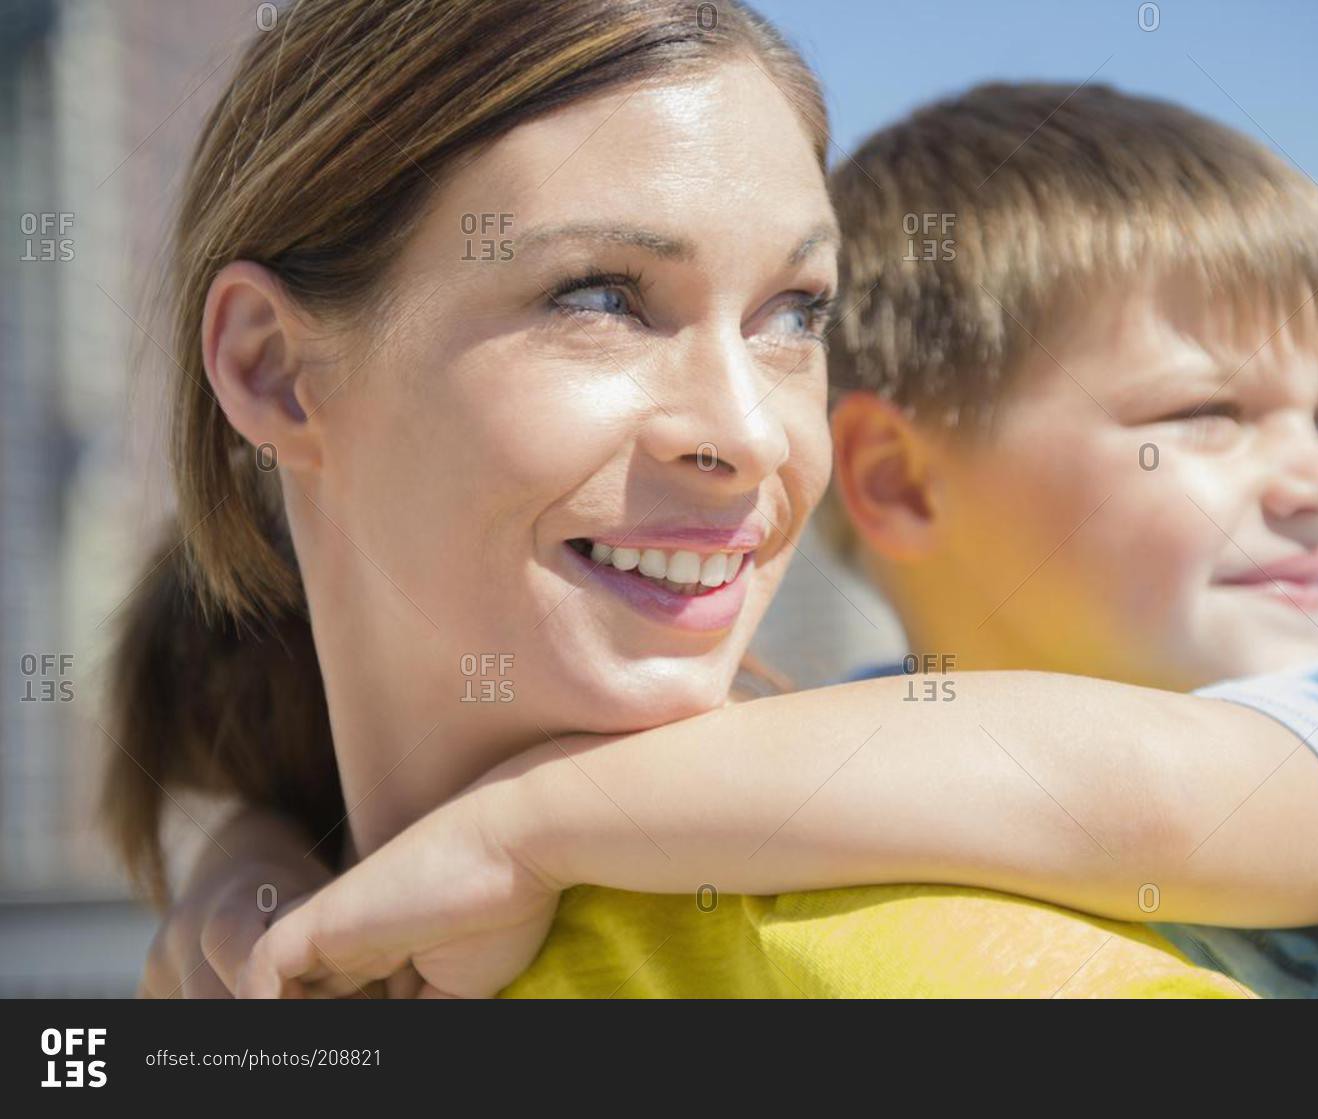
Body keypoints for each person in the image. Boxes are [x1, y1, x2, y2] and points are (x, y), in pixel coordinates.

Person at [227, 81, 1318, 1000]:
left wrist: (520, 827)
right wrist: (243, 873)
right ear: (900, 483)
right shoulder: (823, 749)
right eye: (1208, 415)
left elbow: (1139, 790)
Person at [117, 0, 1246, 999]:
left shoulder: (929, 963)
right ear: (271, 368)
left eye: (795, 313)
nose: (751, 436)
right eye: (603, 297)